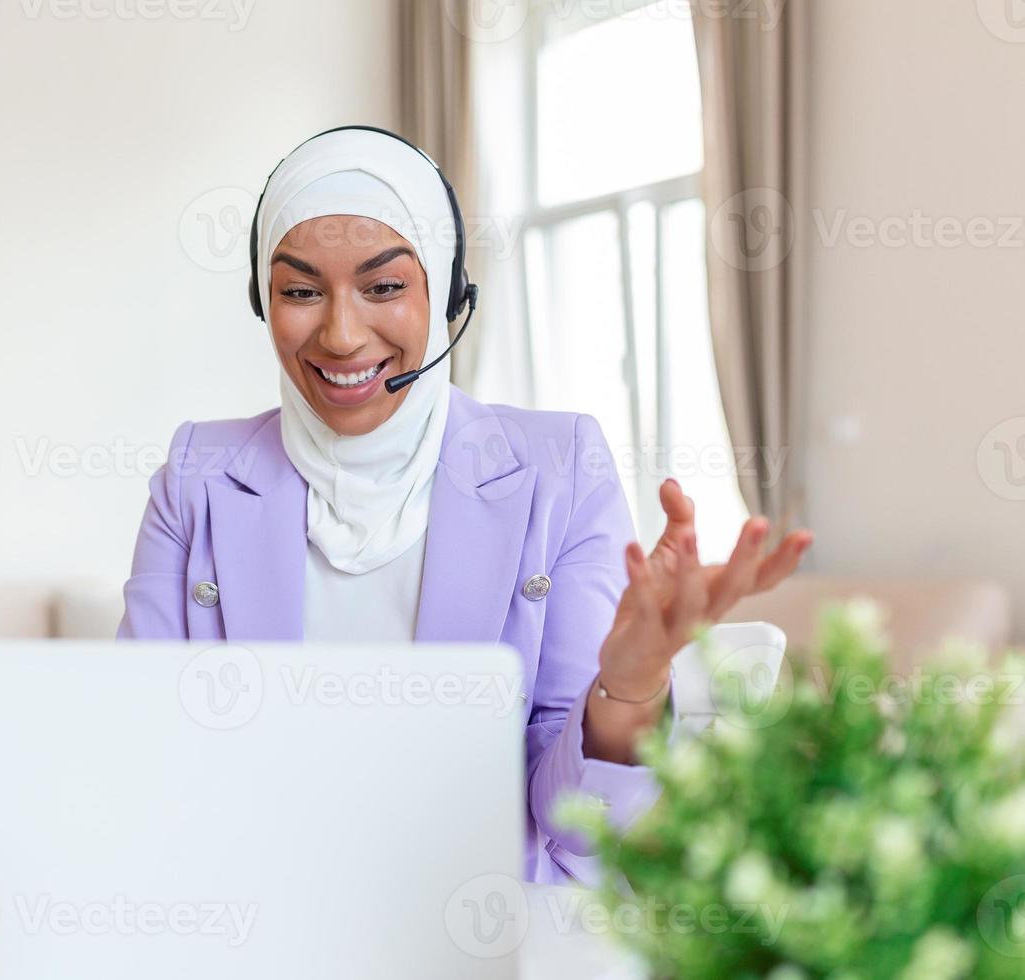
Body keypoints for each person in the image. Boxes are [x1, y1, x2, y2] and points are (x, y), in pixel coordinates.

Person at [118, 126, 811, 883]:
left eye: (384, 287)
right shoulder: (198, 474)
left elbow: (578, 831)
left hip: (478, 926)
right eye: (300, 290)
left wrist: (632, 684)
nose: (342, 334)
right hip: (258, 915)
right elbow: (142, 755)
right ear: (264, 299)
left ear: (446, 293)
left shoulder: (559, 469)